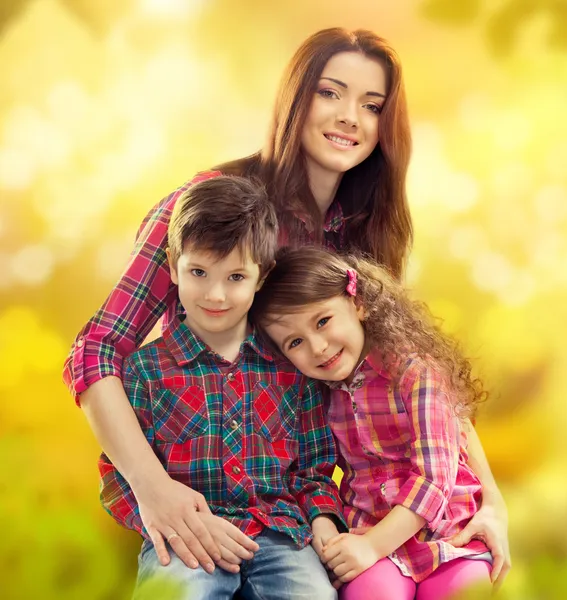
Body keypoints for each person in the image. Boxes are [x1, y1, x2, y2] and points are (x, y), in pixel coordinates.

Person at [63, 27, 509, 582]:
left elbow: (419, 377)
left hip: (302, 513)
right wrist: (155, 492)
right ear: (295, 98)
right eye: (330, 92)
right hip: (204, 499)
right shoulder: (209, 207)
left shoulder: (363, 235)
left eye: (372, 106)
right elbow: (95, 352)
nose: (350, 116)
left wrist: (490, 498)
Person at [100, 176, 344, 599]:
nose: (215, 294)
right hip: (187, 538)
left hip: (281, 535)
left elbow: (314, 469)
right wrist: (166, 522)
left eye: (235, 277)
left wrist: (324, 518)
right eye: (199, 272)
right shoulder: (144, 371)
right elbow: (118, 474)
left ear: (261, 277)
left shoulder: (289, 365)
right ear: (174, 265)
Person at [251, 246, 496, 599]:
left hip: (449, 535)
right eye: (295, 342)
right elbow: (311, 470)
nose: (318, 347)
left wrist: (371, 547)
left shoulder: (415, 373)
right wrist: (337, 529)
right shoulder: (317, 394)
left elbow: (434, 479)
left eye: (323, 321)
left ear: (358, 303)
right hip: (368, 532)